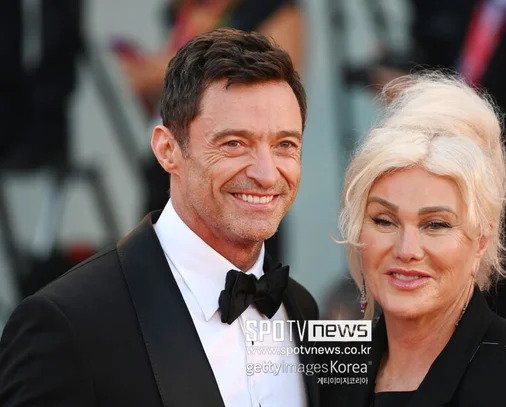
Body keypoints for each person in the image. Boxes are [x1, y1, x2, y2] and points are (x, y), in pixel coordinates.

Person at [0, 28, 319, 407]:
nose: (266, 174)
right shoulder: (67, 323)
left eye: (285, 145)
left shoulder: (302, 310)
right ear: (167, 149)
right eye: (234, 143)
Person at [321, 73, 506, 406]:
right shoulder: (322, 372)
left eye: (436, 225)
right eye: (384, 221)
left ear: (482, 240)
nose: (406, 250)